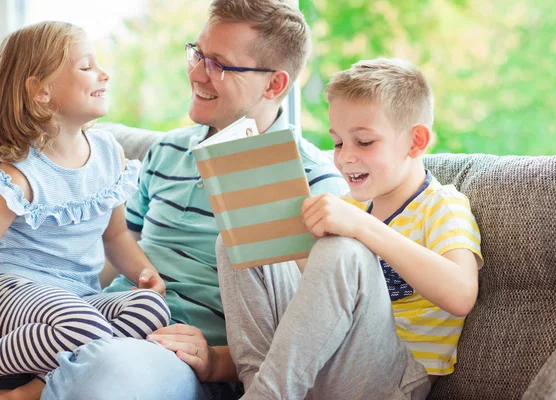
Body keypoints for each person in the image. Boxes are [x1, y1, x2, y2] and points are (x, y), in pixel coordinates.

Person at [39, 1, 347, 400]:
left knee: (108, 374)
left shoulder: (317, 186)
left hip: (179, 363)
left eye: (219, 64)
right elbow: (113, 254)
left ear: (274, 85)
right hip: (109, 321)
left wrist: (218, 361)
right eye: (197, 53)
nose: (196, 72)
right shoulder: (165, 151)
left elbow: (316, 338)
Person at [215, 58, 484, 399]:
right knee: (237, 239)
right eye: (339, 143)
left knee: (343, 249)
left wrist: (362, 228)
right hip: (326, 361)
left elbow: (461, 294)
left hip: (395, 380)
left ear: (416, 141)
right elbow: (321, 293)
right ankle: (258, 386)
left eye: (365, 142)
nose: (344, 158)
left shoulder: (441, 205)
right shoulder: (351, 207)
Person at [0, 21, 171, 400]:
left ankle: (46, 379)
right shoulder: (17, 170)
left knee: (151, 310)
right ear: (41, 90)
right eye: (86, 66)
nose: (103, 73)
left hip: (80, 298)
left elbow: (116, 236)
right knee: (85, 329)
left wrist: (147, 274)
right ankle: (23, 388)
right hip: (14, 290)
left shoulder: (109, 154)